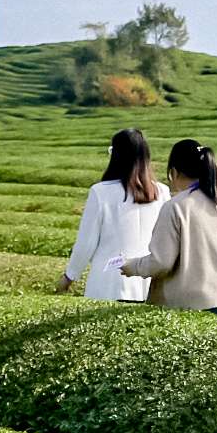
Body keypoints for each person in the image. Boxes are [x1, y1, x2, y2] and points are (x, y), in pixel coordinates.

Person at [123, 137, 217, 317]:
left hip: (194, 304)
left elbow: (161, 262)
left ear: (173, 172)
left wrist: (132, 266)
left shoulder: (177, 206)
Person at [56, 126, 163, 302]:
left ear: (115, 156)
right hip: (148, 284)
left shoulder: (101, 192)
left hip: (108, 285)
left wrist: (69, 276)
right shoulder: (160, 192)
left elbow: (86, 243)